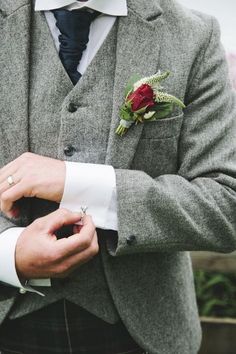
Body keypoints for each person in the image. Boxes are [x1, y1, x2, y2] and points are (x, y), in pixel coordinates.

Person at [0, 0, 236, 353]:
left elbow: (225, 203)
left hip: (142, 334)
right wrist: (8, 254)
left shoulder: (194, 35)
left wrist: (78, 183)